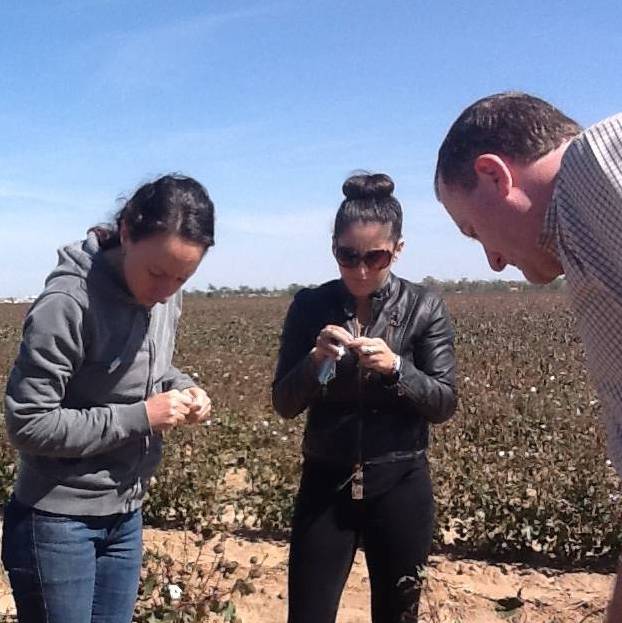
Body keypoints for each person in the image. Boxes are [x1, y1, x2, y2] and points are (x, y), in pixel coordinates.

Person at [434, 91, 622, 622]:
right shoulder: (581, 238)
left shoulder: (594, 166)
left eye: (473, 231)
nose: (492, 261)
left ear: (496, 176)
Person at [1, 174, 215, 623]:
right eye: (157, 272)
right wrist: (142, 416)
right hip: (57, 520)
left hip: (125, 513)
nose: (165, 290)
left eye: (182, 277)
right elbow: (29, 423)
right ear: (126, 234)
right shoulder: (68, 303)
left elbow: (151, 371)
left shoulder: (163, 295)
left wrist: (182, 386)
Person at [272, 172, 457, 623]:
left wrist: (397, 368)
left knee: (397, 616)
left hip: (400, 484)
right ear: (333, 246)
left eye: (374, 257)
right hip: (325, 482)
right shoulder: (309, 306)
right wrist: (315, 361)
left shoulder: (423, 306)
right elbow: (284, 402)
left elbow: (443, 402)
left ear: (397, 249)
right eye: (347, 255)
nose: (359, 269)